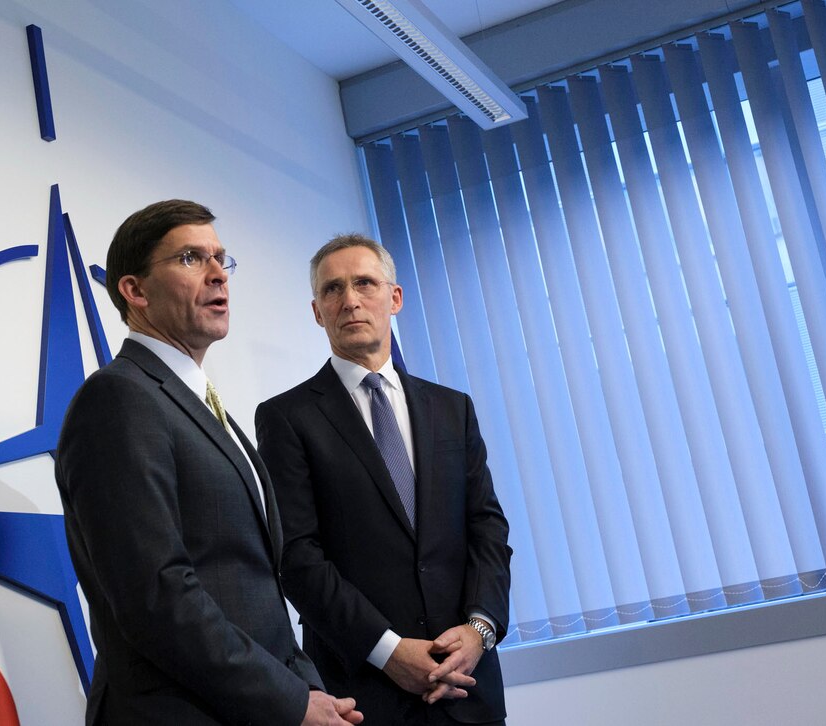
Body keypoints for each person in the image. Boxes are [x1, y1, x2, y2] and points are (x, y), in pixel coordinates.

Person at [55, 201, 363, 726]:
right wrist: (289, 701)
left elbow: (255, 585)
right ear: (135, 291)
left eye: (222, 259)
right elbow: (157, 597)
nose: (219, 274)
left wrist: (306, 686)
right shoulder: (118, 400)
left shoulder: (200, 405)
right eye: (192, 259)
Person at [255, 234, 512, 725]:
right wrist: (388, 651)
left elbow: (487, 529)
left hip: (468, 685)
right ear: (317, 311)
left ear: (394, 297)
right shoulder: (286, 418)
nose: (349, 300)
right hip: (364, 693)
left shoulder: (451, 408)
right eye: (332, 290)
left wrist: (480, 629)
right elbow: (297, 557)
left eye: (364, 283)